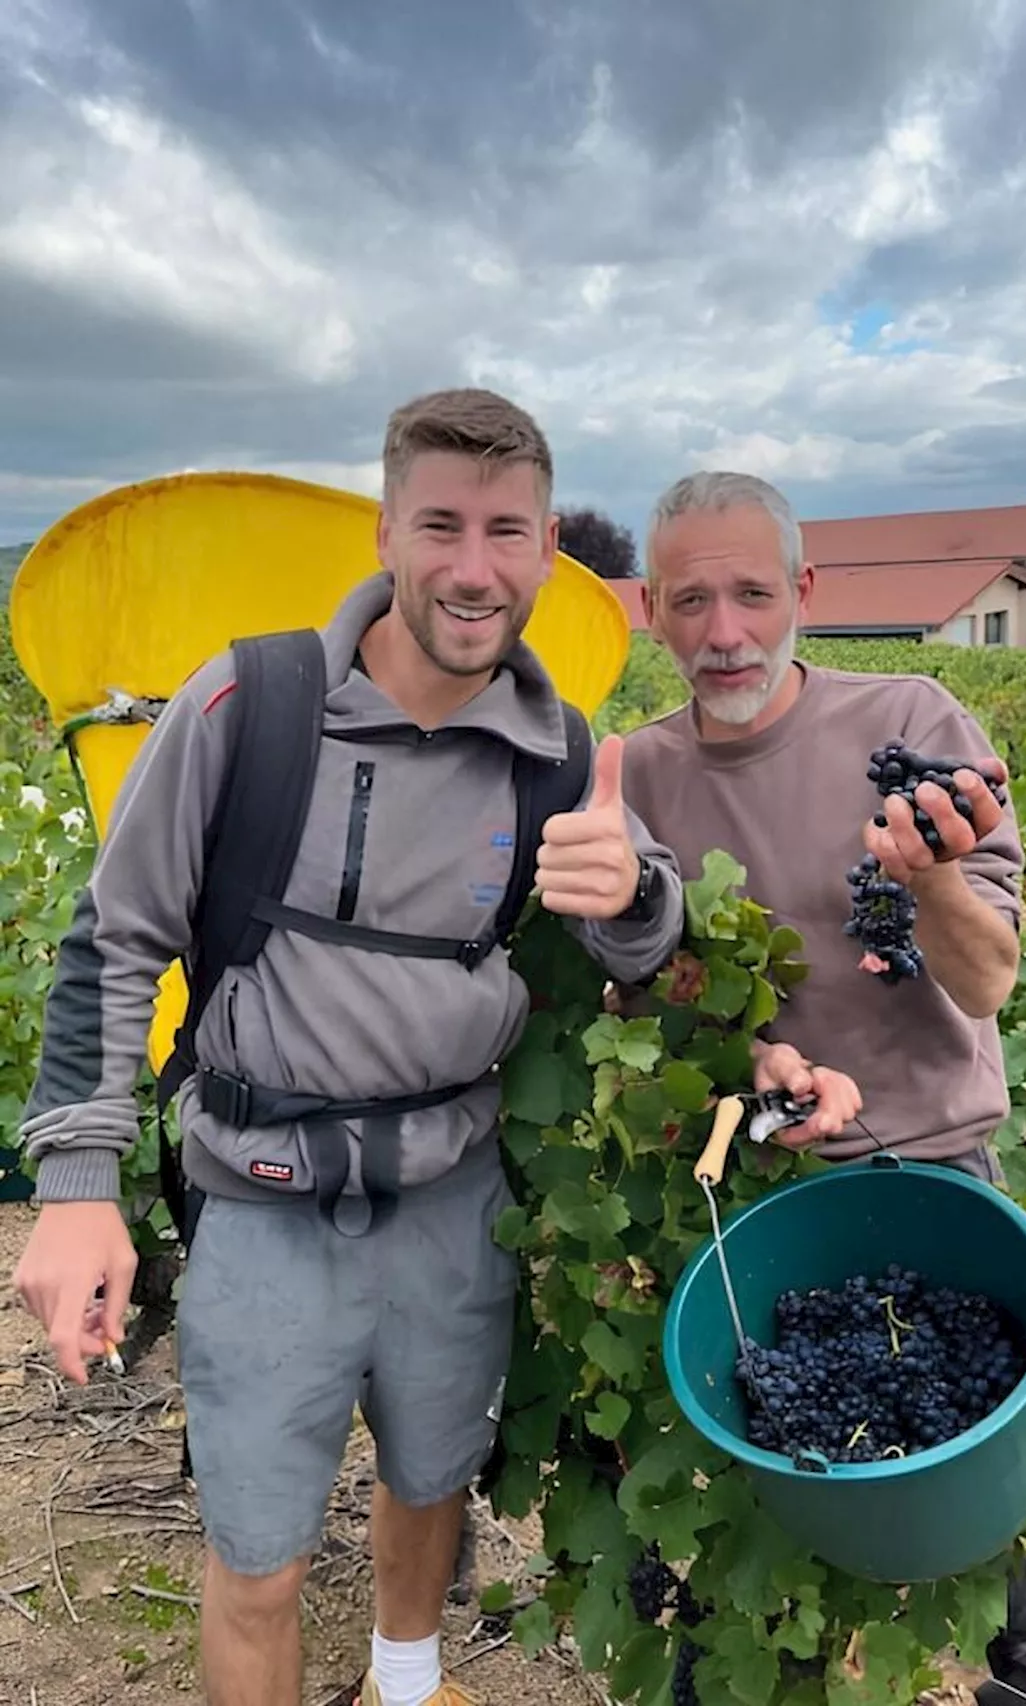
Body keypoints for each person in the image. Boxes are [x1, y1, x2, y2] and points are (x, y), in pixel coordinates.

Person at [11, 389, 686, 1706]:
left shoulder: (560, 753)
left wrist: (641, 900)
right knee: (259, 1558)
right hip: (264, 1201)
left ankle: (406, 1678)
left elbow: (631, 947)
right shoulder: (245, 705)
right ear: (388, 532)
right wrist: (77, 1187)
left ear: (549, 549)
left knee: (431, 1476)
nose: (473, 565)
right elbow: (112, 939)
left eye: (507, 530)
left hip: (454, 1200)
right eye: (441, 523)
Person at [618, 470, 1026, 1706]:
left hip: (937, 1163)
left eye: (751, 593)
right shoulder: (640, 777)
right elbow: (649, 996)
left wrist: (928, 878)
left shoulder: (911, 717)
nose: (723, 630)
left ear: (803, 593)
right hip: (763, 1181)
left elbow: (985, 981)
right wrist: (751, 1065)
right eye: (690, 600)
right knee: (768, 1459)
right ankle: (728, 1676)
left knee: (978, 1444)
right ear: (648, 611)